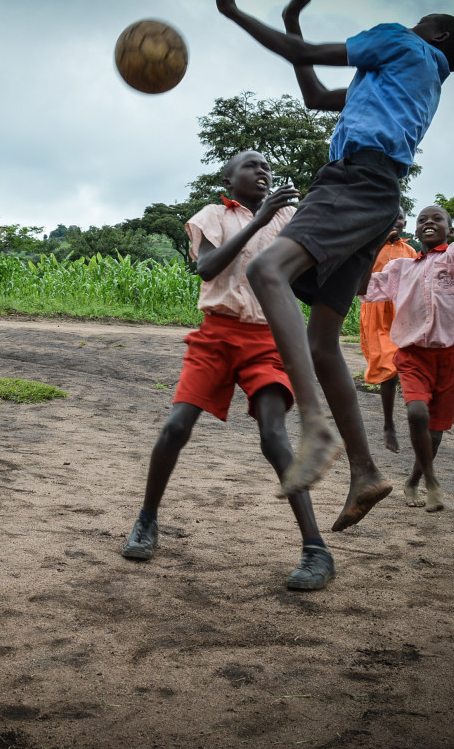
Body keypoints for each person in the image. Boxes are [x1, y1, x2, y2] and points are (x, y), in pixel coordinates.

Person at [207, 0, 454, 531]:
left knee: (265, 269)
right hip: (378, 196)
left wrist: (231, 8)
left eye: (421, 19)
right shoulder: (411, 82)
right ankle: (364, 471)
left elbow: (301, 58)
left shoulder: (400, 44)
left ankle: (314, 426)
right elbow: (313, 96)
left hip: (350, 182)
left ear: (437, 34)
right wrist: (293, 20)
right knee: (322, 340)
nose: (411, 22)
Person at [121, 150, 336, 590]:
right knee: (175, 427)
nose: (262, 171)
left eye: (267, 167)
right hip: (216, 335)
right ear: (228, 176)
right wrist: (259, 220)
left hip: (268, 338)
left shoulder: (289, 219)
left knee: (274, 436)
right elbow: (206, 267)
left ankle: (316, 549)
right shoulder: (213, 215)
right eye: (251, 165)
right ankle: (146, 519)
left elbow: (306, 278)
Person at [362, 156, 454, 512]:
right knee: (418, 414)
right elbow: (365, 287)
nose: (428, 222)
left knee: (436, 429)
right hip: (412, 354)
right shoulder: (400, 266)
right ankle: (433, 479)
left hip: (449, 356)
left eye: (437, 218)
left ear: (451, 230)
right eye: (422, 219)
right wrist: (361, 241)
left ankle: (415, 479)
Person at [358, 209, 416, 452]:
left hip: (402, 312)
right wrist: (375, 244)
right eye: (390, 217)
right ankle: (388, 424)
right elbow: (360, 278)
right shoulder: (369, 247)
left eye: (400, 218)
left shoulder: (410, 251)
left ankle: (435, 404)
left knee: (413, 361)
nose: (396, 222)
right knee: (389, 366)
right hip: (376, 312)